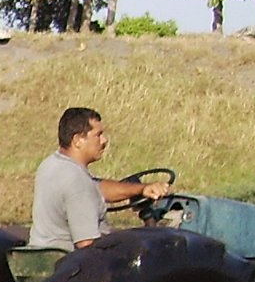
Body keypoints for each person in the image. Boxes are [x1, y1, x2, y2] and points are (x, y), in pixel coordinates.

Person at [29, 105, 172, 250]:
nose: (104, 140)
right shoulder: (77, 181)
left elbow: (96, 188)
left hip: (46, 256)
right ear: (78, 140)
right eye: (98, 135)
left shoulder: (51, 165)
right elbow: (87, 246)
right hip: (72, 264)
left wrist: (143, 189)